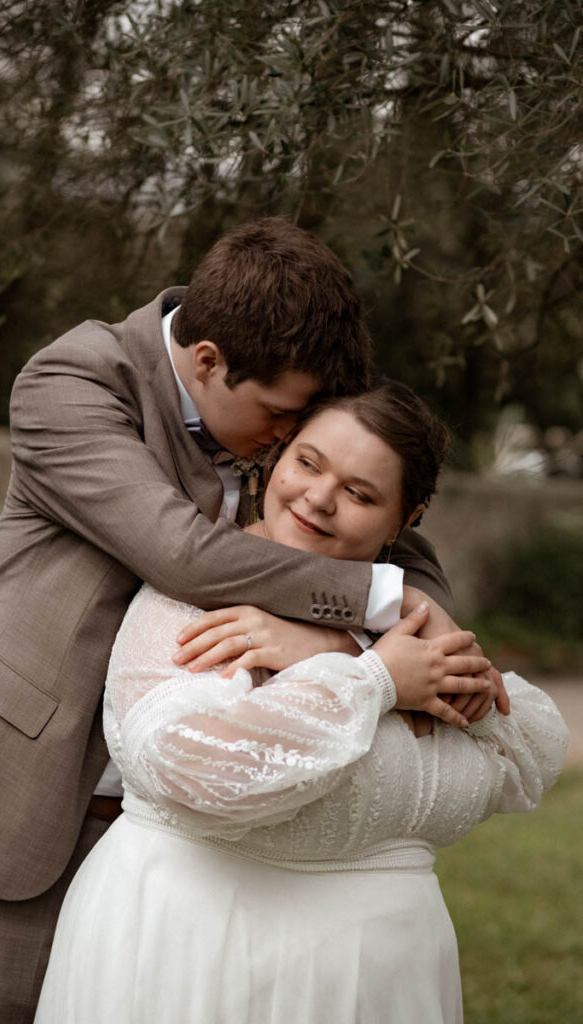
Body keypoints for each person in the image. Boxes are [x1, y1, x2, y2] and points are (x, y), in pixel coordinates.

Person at [0, 219, 465, 1024]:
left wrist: (328, 640)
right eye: (279, 417)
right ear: (208, 361)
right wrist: (374, 615)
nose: (287, 443)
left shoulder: (284, 418)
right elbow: (184, 556)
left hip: (177, 861)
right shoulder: (74, 380)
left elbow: (402, 560)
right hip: (12, 806)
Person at [34, 383, 567, 1023]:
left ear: (407, 518)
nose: (318, 498)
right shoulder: (199, 593)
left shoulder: (401, 617)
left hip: (380, 978)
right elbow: (204, 769)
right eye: (308, 463)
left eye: (360, 493)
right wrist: (373, 681)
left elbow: (530, 747)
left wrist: (336, 646)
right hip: (196, 954)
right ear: (277, 455)